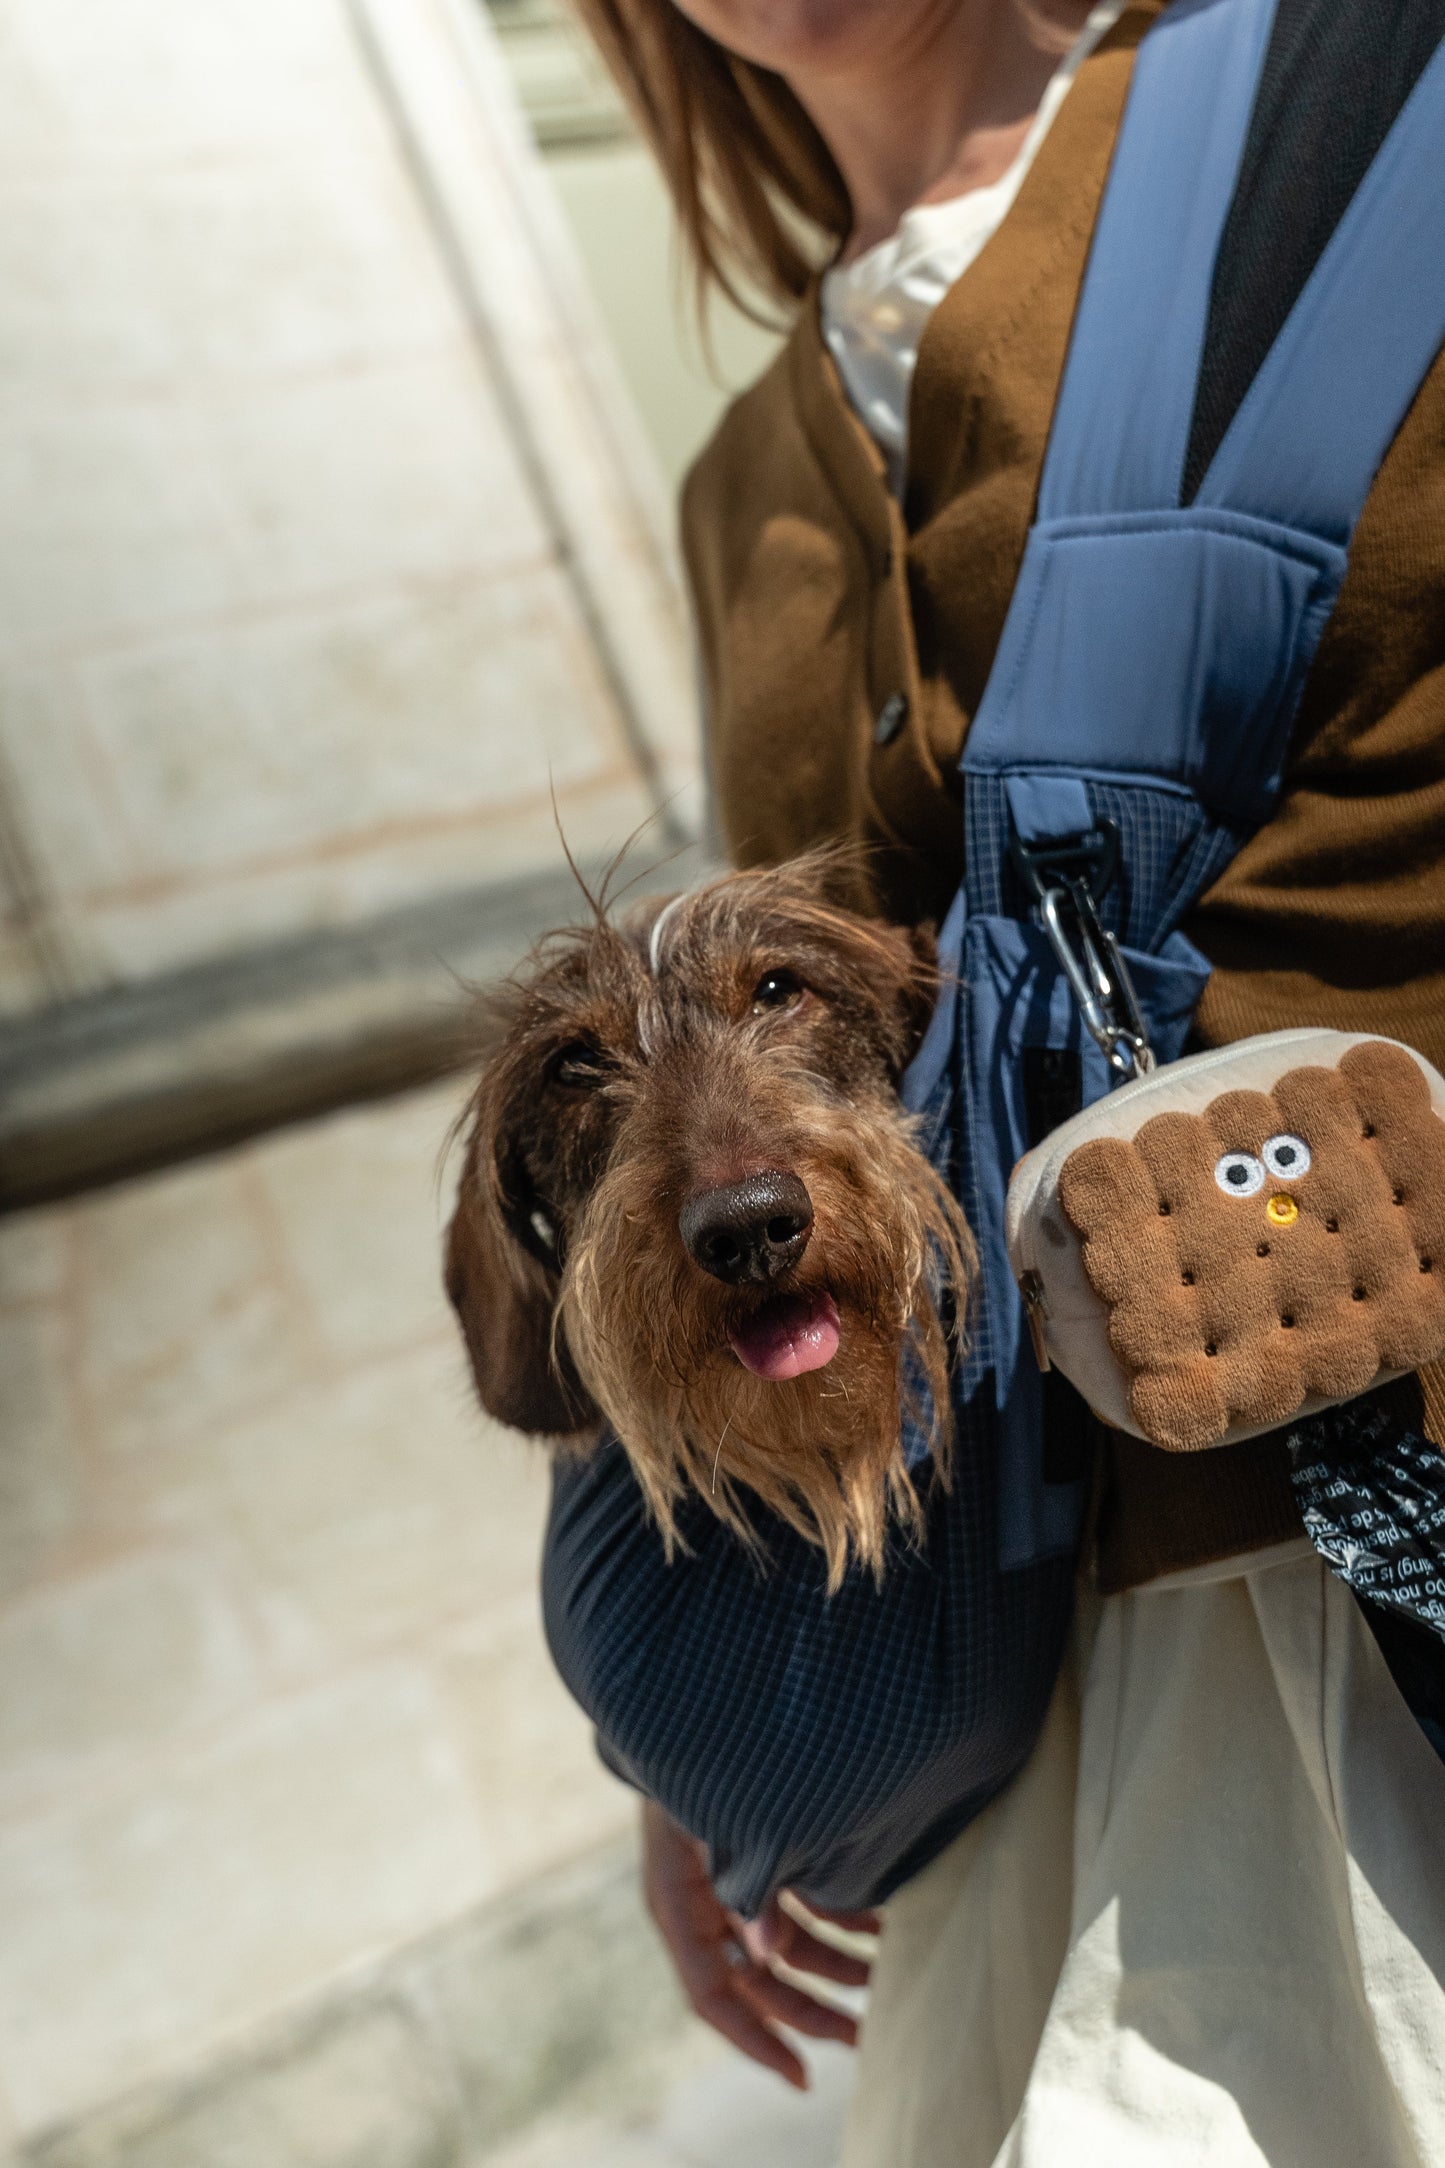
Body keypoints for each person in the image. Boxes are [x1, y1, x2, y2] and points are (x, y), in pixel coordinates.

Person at [545, 0, 1445, 2159]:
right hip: (1027, 1666)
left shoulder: (1364, 101)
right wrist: (710, 1659)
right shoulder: (733, 481)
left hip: (1390, 1533)